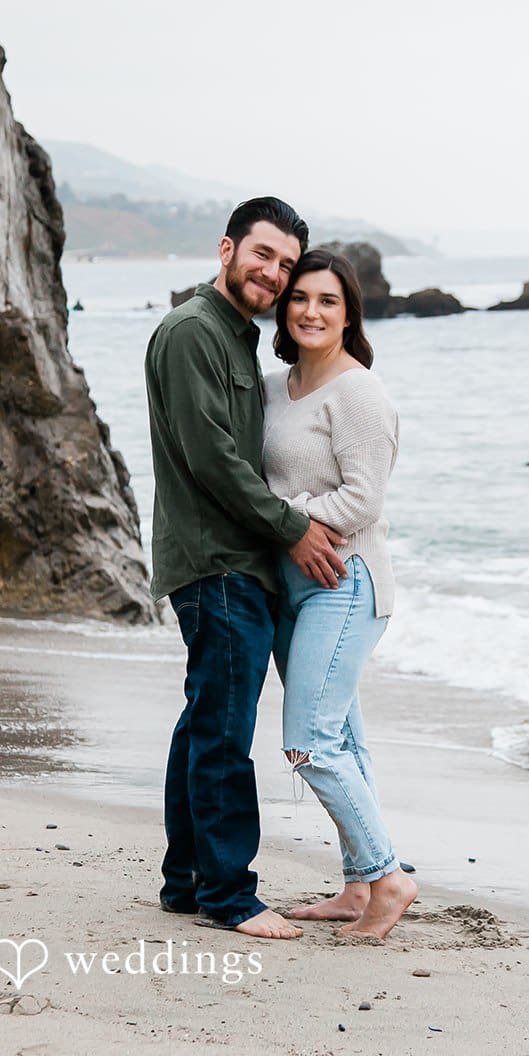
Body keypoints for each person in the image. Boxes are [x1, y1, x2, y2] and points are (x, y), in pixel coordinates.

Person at [144, 197, 349, 940]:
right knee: (225, 729)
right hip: (219, 562)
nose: (274, 273)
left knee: (205, 718)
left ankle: (187, 878)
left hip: (225, 560)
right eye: (263, 255)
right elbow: (214, 463)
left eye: (287, 265)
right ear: (227, 249)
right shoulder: (194, 332)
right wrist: (293, 528)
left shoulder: (236, 340)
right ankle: (231, 894)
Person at [262, 249, 416, 938]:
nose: (311, 311)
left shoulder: (358, 392)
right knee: (343, 741)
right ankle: (357, 886)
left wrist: (289, 520)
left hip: (345, 582)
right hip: (290, 585)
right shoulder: (275, 388)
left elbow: (365, 496)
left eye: (327, 300)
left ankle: (388, 877)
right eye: (300, 298)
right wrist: (279, 525)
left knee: (308, 742)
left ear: (349, 312)